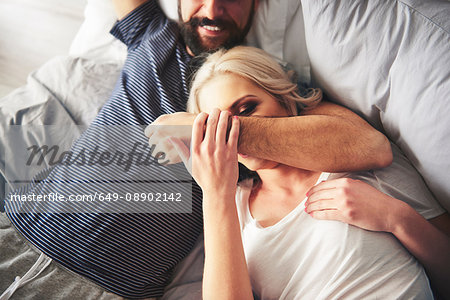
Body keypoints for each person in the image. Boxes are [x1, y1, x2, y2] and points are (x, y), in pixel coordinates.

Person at [0, 1, 394, 299]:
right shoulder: (155, 39)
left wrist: (207, 130)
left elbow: (369, 145)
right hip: (16, 231)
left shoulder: (263, 89)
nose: (213, 7)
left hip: (109, 289)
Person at [169, 46, 450, 299]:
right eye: (212, 128)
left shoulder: (363, 165)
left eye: (247, 109)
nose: (229, 134)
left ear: (285, 100)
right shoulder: (231, 211)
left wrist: (396, 218)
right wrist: (216, 193)